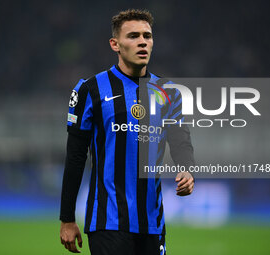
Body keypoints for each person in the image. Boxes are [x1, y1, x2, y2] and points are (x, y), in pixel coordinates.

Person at [59, 9, 195, 255]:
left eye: (147, 35)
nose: (142, 41)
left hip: (152, 223)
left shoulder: (169, 92)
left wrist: (186, 168)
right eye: (133, 36)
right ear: (115, 44)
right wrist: (67, 218)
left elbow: (180, 140)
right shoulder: (90, 90)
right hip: (107, 221)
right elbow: (76, 157)